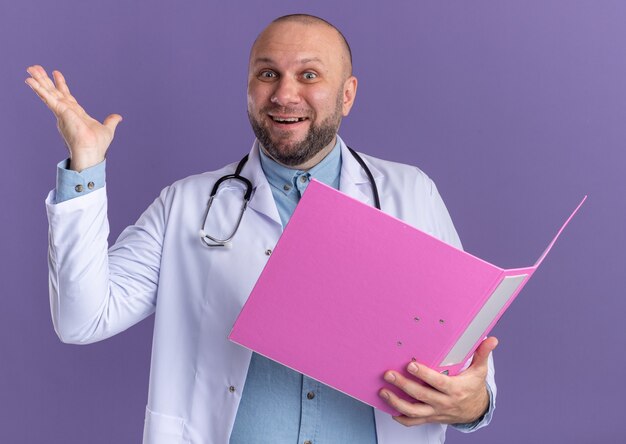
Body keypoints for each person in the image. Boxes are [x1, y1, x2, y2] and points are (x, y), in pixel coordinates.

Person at [26, 14, 498, 444]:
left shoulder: (411, 193)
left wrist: (472, 403)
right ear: (249, 85)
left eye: (309, 75)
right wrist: (85, 167)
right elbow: (80, 319)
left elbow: (462, 357)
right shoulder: (187, 204)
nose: (284, 95)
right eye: (267, 73)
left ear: (347, 94)